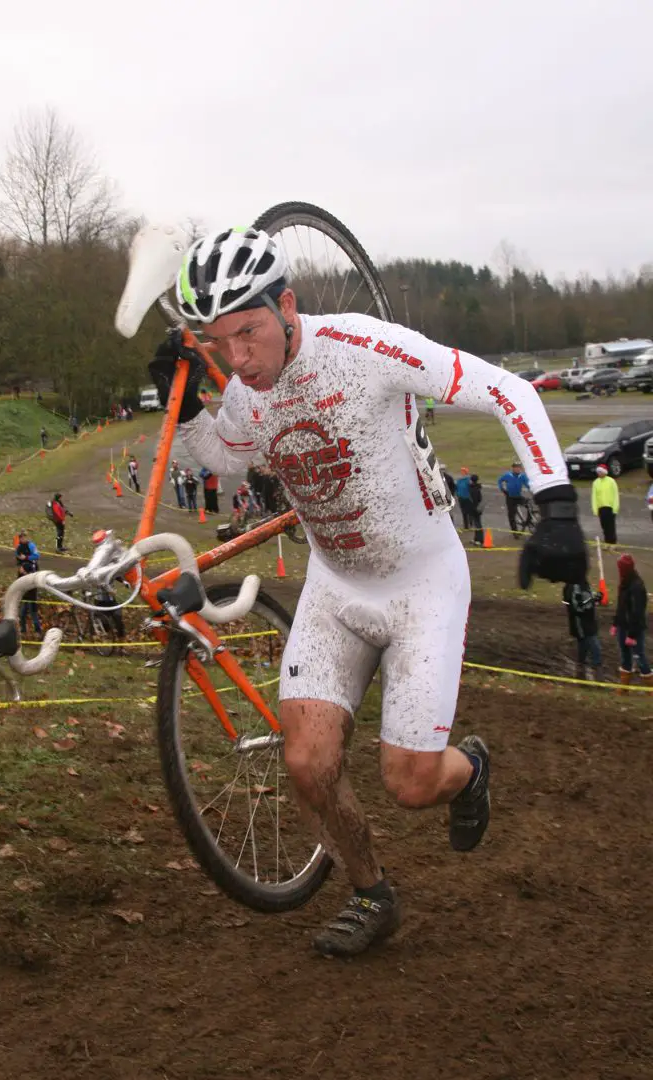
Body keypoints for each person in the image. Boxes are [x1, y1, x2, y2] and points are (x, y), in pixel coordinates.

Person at [142, 225, 586, 957]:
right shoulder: (250, 392)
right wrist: (186, 407)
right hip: (336, 588)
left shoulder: (361, 346)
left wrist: (558, 502)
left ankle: (469, 769)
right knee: (307, 764)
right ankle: (372, 891)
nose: (240, 359)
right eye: (222, 344)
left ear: (287, 306)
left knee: (410, 783)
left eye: (250, 332)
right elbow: (223, 456)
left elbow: (505, 390)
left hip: (422, 585)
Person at [611, 553, 650, 691]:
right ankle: (624, 687)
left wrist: (632, 635)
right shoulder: (624, 583)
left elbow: (637, 612)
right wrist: (616, 623)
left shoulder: (637, 587)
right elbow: (621, 606)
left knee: (639, 656)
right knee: (625, 655)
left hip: (634, 629)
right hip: (623, 626)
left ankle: (650, 688)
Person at [562, 581, 602, 682]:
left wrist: (596, 598)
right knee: (594, 646)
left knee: (583, 645)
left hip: (589, 620)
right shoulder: (571, 586)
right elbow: (576, 607)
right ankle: (598, 675)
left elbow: (586, 597)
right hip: (580, 622)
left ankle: (580, 667)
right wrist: (591, 600)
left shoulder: (583, 583)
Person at [16, 530, 42, 637]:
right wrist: (20, 568)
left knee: (33, 609)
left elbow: (36, 556)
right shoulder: (18, 548)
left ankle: (38, 631)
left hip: (32, 579)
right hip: (23, 581)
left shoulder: (31, 546)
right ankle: (23, 630)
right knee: (22, 610)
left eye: (25, 537)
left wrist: (26, 558)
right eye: (21, 537)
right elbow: (17, 559)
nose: (23, 539)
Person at [498, 461, 530, 537]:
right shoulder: (507, 475)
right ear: (513, 468)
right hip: (510, 497)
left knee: (529, 506)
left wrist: (533, 490)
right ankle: (514, 532)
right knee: (511, 515)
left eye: (519, 467)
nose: (518, 469)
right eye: (516, 467)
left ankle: (527, 521)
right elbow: (500, 481)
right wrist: (502, 489)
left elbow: (528, 484)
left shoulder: (522, 476)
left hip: (518, 496)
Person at [591, 464, 619, 545]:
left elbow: (615, 495)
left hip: (610, 508)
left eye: (600, 472)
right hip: (601, 508)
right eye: (598, 472)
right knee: (604, 526)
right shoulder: (595, 483)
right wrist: (595, 509)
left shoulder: (611, 481)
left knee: (611, 526)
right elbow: (594, 497)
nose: (599, 474)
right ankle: (607, 542)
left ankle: (613, 542)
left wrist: (615, 508)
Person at [469, 473, 485, 546]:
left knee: (478, 524)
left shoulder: (473, 489)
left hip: (475, 509)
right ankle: (476, 539)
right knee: (477, 524)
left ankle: (480, 540)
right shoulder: (477, 487)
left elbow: (475, 500)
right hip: (477, 508)